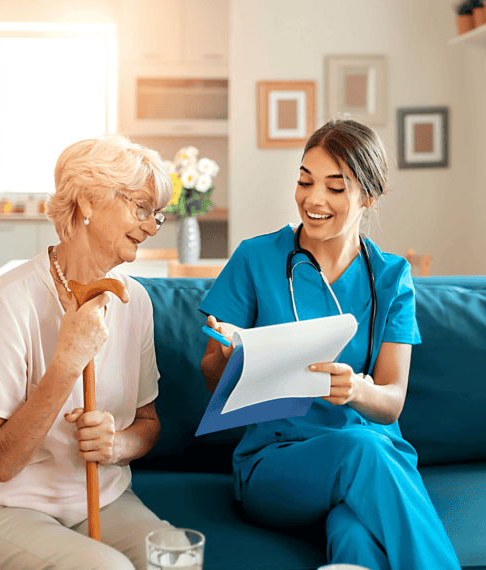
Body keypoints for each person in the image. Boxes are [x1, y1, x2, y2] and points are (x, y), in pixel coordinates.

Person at [198, 119, 462, 570]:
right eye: (305, 182)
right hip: (278, 463)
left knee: (356, 536)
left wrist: (355, 390)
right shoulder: (255, 258)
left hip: (373, 456)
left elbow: (391, 403)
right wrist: (226, 361)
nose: (313, 199)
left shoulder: (391, 277)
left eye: (335, 187)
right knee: (363, 451)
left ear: (368, 196)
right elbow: (210, 377)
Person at [0, 135, 174, 570]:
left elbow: (148, 422)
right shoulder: (11, 301)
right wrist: (67, 363)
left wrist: (117, 444)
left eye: (156, 213)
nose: (152, 226)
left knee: (174, 558)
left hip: (98, 499)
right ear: (87, 202)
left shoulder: (135, 301)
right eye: (140, 207)